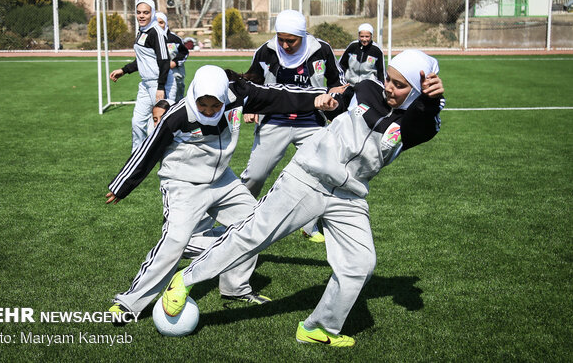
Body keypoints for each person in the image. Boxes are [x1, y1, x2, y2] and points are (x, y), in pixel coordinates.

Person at [161, 50, 445, 347]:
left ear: (416, 91)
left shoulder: (419, 120)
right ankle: (185, 279)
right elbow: (336, 104)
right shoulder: (367, 88)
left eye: (400, 86)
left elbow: (421, 123)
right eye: (389, 79)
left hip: (349, 196)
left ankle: (318, 327)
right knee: (253, 236)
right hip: (306, 176)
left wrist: (430, 100)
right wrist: (330, 103)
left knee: (360, 264)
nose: (388, 87)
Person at [106, 65, 334, 317]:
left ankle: (235, 288)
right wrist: (122, 186)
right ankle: (129, 303)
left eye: (216, 106)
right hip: (183, 183)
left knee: (254, 224)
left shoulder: (238, 96)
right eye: (203, 105)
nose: (209, 111)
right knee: (173, 241)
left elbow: (278, 96)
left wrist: (317, 98)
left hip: (223, 180)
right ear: (194, 97)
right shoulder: (178, 116)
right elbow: (149, 152)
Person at [240, 9, 347, 243]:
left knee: (321, 173)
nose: (286, 45)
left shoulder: (321, 50)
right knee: (255, 175)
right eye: (282, 39)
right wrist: (250, 108)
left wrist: (333, 100)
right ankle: (237, 216)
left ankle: (309, 225)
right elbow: (252, 81)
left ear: (303, 35)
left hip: (311, 122)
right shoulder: (266, 52)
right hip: (274, 121)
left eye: (292, 40)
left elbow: (338, 84)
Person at [109, 0, 173, 153]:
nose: (142, 16)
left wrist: (160, 87)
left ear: (152, 13)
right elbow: (142, 60)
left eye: (146, 12)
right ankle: (136, 157)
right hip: (145, 85)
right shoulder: (142, 31)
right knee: (137, 122)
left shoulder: (156, 32)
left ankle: (169, 157)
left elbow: (164, 61)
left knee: (164, 125)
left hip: (160, 85)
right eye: (138, 12)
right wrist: (124, 70)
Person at [156, 12, 189, 102]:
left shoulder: (174, 39)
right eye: (156, 22)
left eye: (161, 22)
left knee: (177, 102)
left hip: (176, 75)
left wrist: (175, 62)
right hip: (158, 76)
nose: (158, 25)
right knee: (160, 103)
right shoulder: (151, 39)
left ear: (166, 24)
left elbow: (184, 53)